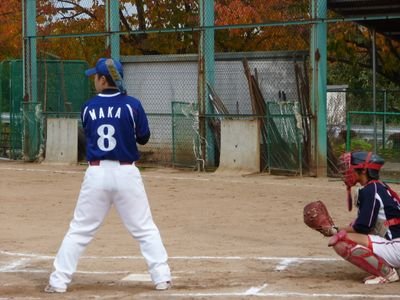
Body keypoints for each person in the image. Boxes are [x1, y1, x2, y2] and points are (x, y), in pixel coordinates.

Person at [45, 57, 172, 293]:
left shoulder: (88, 107)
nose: (94, 80)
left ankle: (58, 282)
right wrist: (129, 114)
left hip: (96, 172)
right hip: (126, 172)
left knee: (80, 230)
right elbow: (143, 137)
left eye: (96, 76)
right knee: (144, 228)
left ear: (104, 80)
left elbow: (90, 132)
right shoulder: (132, 105)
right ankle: (161, 277)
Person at [328, 151, 400, 284]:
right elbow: (362, 224)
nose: (347, 172)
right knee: (344, 235)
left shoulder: (371, 190)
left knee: (341, 242)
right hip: (395, 245)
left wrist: (334, 230)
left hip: (396, 247)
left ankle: (387, 273)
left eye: (351, 168)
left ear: (364, 170)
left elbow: (362, 227)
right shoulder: (377, 187)